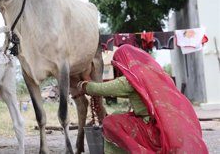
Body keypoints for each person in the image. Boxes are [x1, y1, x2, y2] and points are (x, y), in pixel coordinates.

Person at [78, 44, 208, 154]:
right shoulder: (158, 76)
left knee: (110, 122)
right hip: (171, 127)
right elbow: (129, 93)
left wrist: (84, 83)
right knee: (120, 115)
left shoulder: (130, 80)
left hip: (153, 130)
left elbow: (99, 89)